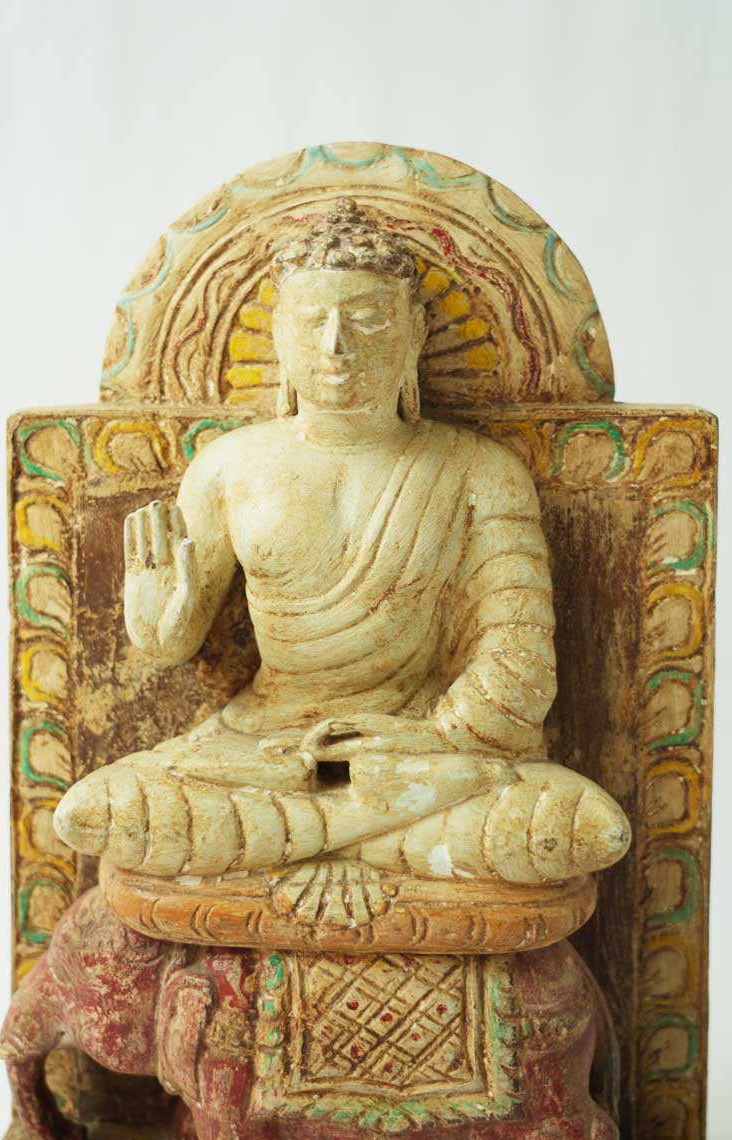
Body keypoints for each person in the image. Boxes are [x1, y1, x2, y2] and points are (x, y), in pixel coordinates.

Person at [54, 199, 629, 895]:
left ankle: (294, 839)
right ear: (280, 335)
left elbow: (521, 667)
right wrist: (158, 624)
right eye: (311, 320)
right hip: (260, 750)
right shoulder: (229, 466)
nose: (336, 346)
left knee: (585, 824)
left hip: (422, 750)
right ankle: (379, 838)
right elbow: (176, 641)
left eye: (367, 319)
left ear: (414, 333)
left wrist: (431, 737)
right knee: (96, 808)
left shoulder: (480, 471)